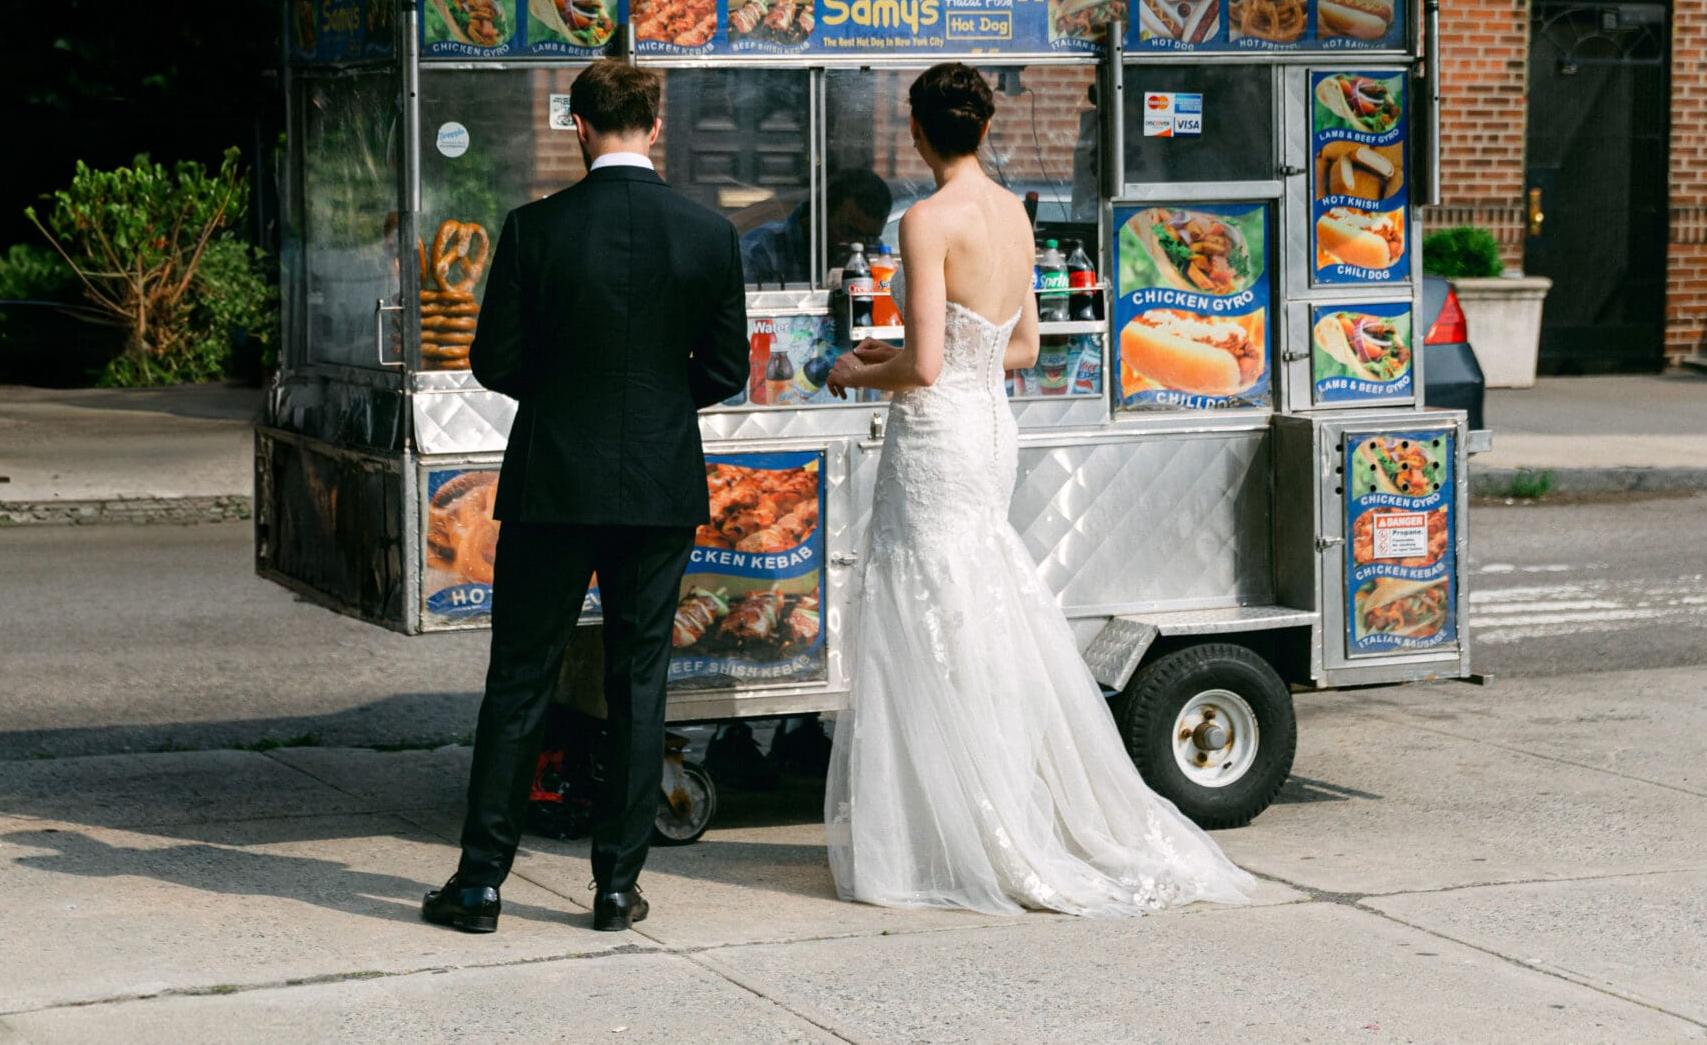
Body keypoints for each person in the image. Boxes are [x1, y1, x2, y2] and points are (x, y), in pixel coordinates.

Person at [822, 62, 1264, 916]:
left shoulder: (926, 220)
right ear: (984, 128)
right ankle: (993, 805)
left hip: (938, 437)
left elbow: (919, 363)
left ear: (918, 131)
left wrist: (856, 366)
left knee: (927, 611)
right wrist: (906, 364)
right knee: (980, 604)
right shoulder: (1016, 218)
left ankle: (950, 829)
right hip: (988, 429)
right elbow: (1017, 350)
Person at [423, 53, 748, 936]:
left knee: (521, 678)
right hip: (656, 480)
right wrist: (648, 401)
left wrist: (570, 392)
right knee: (640, 683)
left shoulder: (533, 228)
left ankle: (482, 882)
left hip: (553, 477)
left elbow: (493, 360)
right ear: (656, 125)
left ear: (578, 124)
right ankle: (615, 886)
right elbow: (725, 368)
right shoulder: (709, 234)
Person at [738, 168, 894, 287]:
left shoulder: (872, 251)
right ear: (820, 214)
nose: (858, 246)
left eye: (870, 238)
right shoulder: (759, 251)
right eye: (848, 231)